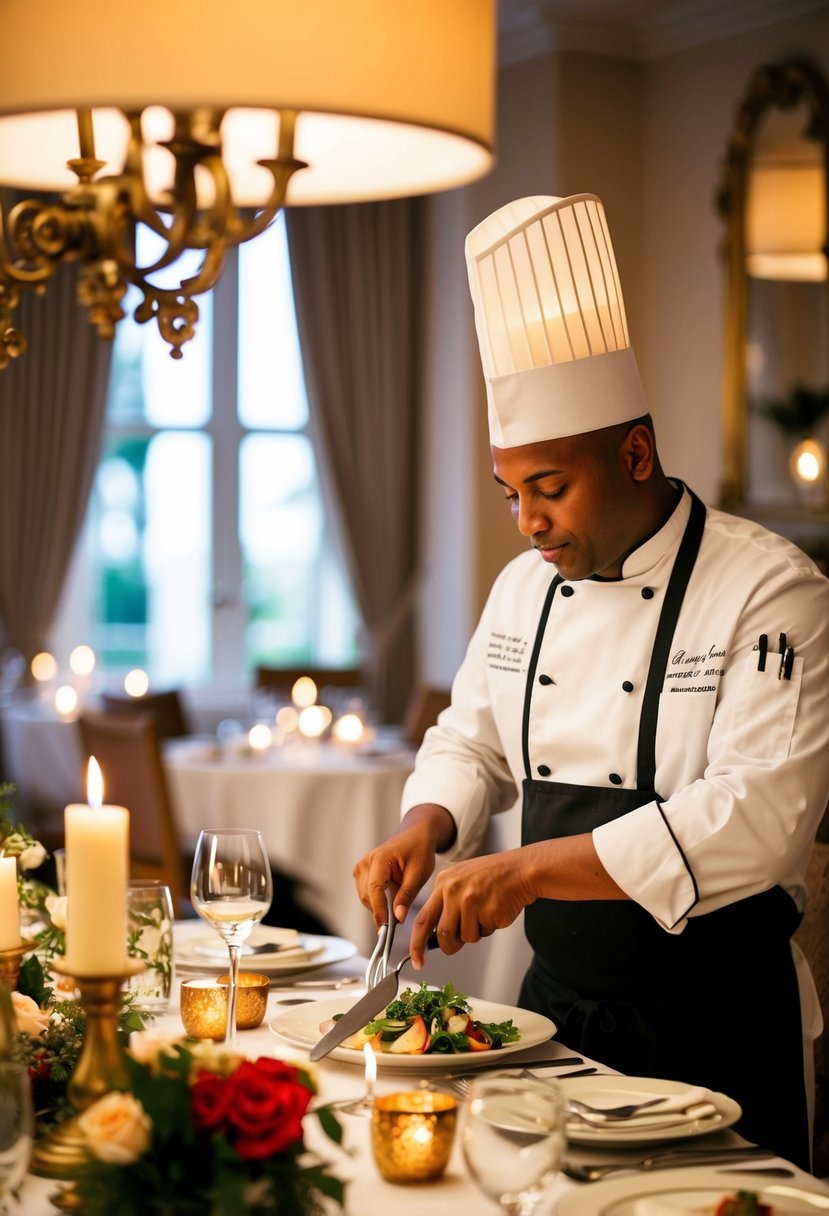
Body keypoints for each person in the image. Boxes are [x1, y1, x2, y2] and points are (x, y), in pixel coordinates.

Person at [353, 193, 829, 1170]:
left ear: (635, 454)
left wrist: (523, 868)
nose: (525, 522)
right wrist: (423, 827)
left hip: (718, 1026)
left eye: (549, 487)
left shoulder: (771, 588)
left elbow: (760, 815)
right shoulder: (523, 588)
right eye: (510, 492)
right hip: (553, 1019)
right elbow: (470, 737)